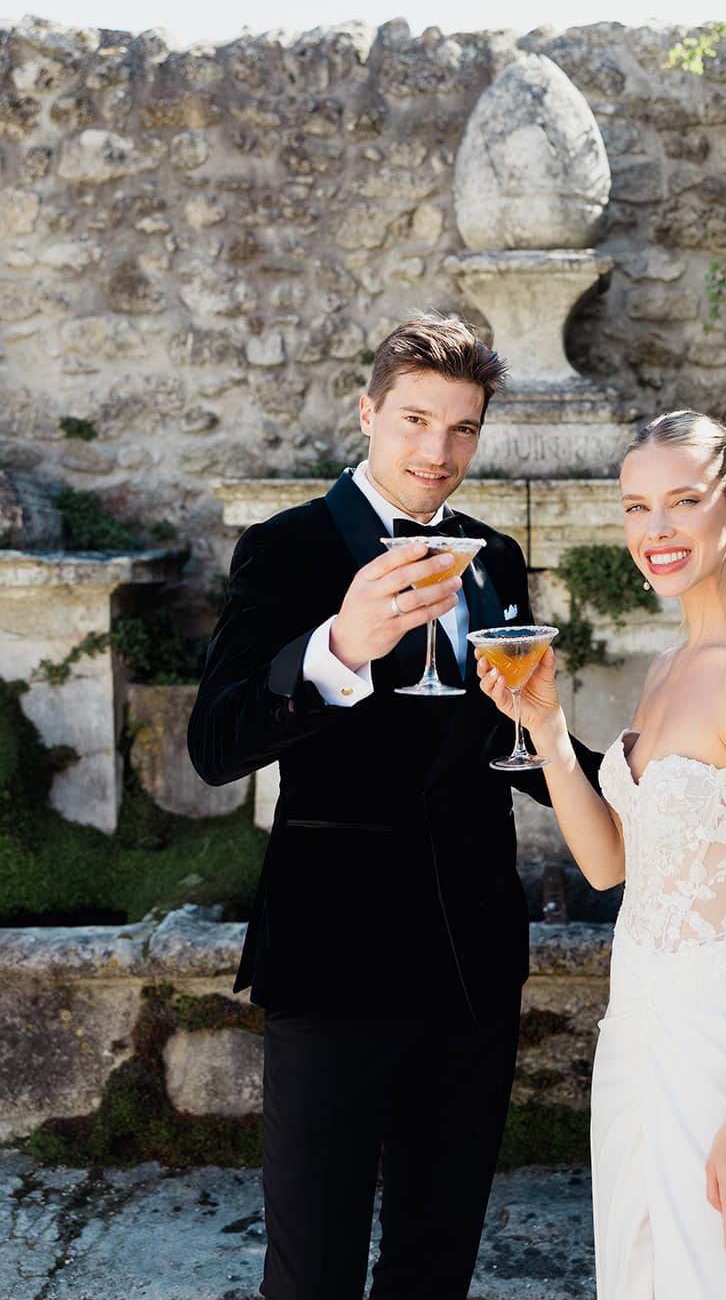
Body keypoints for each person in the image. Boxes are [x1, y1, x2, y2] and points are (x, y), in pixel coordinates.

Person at [187, 312, 601, 1300]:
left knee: (434, 1257)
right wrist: (337, 645)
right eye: (415, 419)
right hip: (334, 957)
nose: (437, 450)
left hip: (473, 958)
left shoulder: (493, 556)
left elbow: (511, 737)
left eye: (462, 428)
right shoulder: (285, 550)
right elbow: (216, 743)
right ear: (367, 412)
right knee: (313, 1267)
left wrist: (634, 776)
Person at [477, 409, 726, 1298]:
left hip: (723, 1036)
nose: (655, 531)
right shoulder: (671, 667)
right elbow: (609, 866)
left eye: (681, 502)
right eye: (635, 507)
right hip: (636, 1019)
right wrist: (549, 733)